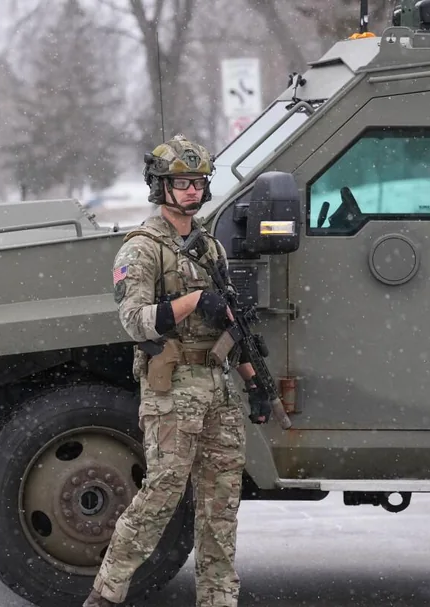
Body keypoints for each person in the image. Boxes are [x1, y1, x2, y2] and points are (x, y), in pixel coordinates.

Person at [83, 134, 272, 607]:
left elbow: (230, 328)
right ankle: (107, 592)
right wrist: (193, 302)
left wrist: (254, 383)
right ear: (160, 186)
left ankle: (218, 598)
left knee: (220, 504)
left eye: (199, 183)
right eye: (182, 183)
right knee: (161, 495)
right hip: (172, 389)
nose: (192, 191)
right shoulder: (142, 249)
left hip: (217, 389)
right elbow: (134, 320)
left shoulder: (211, 249)